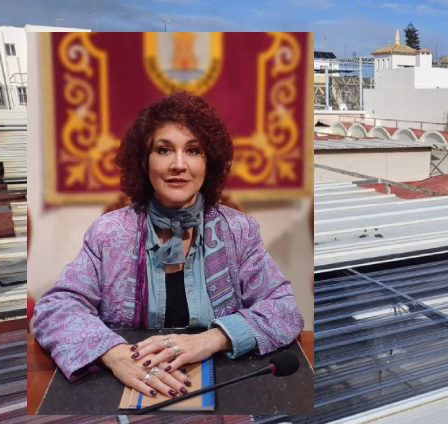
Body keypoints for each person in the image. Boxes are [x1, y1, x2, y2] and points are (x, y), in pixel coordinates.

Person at [33, 93, 304, 401]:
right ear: (144, 162)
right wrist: (113, 354)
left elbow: (285, 310)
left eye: (193, 150)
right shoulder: (108, 232)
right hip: (126, 387)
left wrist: (212, 339)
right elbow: (55, 309)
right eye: (164, 150)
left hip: (223, 388)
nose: (178, 165)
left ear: (208, 163)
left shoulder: (239, 230)